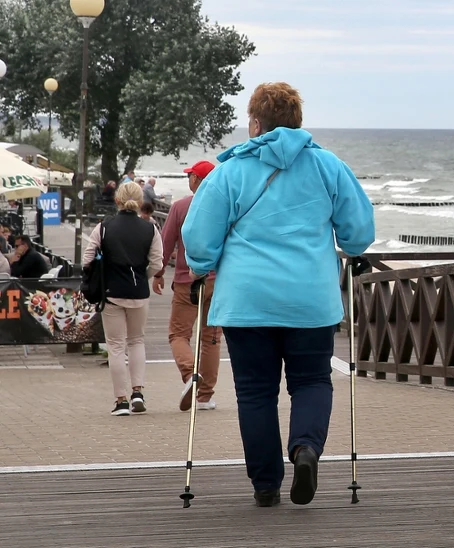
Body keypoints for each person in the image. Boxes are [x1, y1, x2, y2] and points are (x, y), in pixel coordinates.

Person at [182, 82, 375, 507]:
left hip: (247, 302)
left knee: (255, 391)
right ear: (297, 121)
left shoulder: (229, 172)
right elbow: (359, 234)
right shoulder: (328, 166)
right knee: (311, 381)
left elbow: (199, 240)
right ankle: (305, 448)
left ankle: (266, 484)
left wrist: (200, 266)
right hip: (311, 301)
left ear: (255, 123)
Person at [82, 182, 163, 416]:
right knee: (136, 341)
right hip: (139, 293)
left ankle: (121, 401)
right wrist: (143, 276)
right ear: (140, 202)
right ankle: (138, 392)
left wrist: (98, 274)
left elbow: (88, 259)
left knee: (116, 346)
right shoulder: (150, 229)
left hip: (112, 292)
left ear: (117, 201)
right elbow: (157, 262)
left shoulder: (104, 227)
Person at [153, 160, 222, 412]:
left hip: (187, 280)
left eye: (190, 175)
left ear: (196, 179)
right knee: (211, 338)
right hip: (217, 280)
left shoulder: (181, 207)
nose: (188, 179)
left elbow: (166, 242)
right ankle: (205, 397)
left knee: (179, 334)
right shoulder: (224, 208)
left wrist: (159, 272)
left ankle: (190, 373)